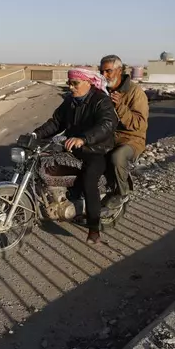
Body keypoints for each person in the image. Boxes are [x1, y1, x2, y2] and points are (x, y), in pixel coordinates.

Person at [31, 68, 118, 244]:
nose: (71, 87)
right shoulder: (70, 102)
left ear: (89, 82)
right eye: (69, 83)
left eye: (75, 83)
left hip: (96, 150)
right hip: (72, 148)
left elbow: (107, 124)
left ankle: (94, 228)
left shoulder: (101, 101)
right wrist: (35, 135)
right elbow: (56, 122)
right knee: (47, 165)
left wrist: (84, 139)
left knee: (89, 180)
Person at [99, 55, 149, 209]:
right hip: (108, 137)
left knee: (117, 156)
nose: (104, 75)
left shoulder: (135, 93)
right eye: (102, 72)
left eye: (108, 71)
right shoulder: (103, 90)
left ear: (119, 70)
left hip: (131, 139)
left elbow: (140, 125)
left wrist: (120, 107)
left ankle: (122, 193)